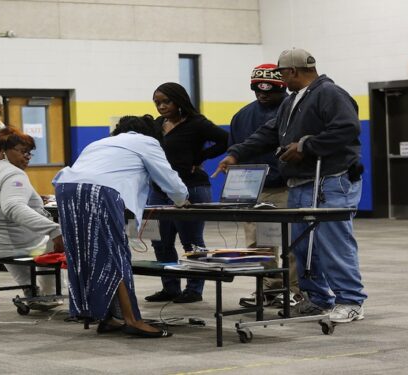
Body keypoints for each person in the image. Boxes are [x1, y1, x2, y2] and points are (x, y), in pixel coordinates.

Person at [214, 48, 367, 323]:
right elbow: (269, 133)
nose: (281, 80)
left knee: (333, 242)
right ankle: (318, 298)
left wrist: (306, 146)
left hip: (329, 180)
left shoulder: (329, 93)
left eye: (282, 74)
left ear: (293, 71)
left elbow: (348, 129)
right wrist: (236, 153)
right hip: (300, 183)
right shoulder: (293, 101)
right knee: (303, 246)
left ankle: (351, 301)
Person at [53, 115, 188, 338]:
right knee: (114, 254)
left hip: (65, 190)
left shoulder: (98, 143)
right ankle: (132, 320)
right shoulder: (147, 142)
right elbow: (170, 180)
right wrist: (183, 199)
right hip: (99, 192)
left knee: (85, 254)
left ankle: (107, 316)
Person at [145, 82, 228, 304]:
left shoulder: (197, 123)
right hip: (159, 190)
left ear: (179, 101)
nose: (161, 107)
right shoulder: (156, 125)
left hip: (191, 187)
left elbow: (225, 140)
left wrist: (200, 158)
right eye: (157, 103)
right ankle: (170, 287)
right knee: (160, 241)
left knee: (191, 241)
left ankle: (194, 288)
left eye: (166, 102)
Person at [229, 64, 301, 308]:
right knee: (258, 244)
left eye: (271, 89)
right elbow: (236, 150)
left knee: (290, 242)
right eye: (258, 89)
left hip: (286, 186)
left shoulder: (294, 110)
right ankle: (267, 288)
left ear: (282, 87)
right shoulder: (242, 116)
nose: (263, 94)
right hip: (253, 188)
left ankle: (292, 289)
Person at [0, 127, 64, 310]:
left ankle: (31, 291)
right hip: (2, 244)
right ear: (3, 152)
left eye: (30, 153)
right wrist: (55, 230)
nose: (27, 157)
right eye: (22, 152)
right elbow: (13, 207)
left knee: (17, 237)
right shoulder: (13, 173)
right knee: (59, 242)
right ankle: (51, 294)